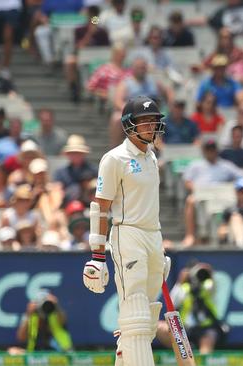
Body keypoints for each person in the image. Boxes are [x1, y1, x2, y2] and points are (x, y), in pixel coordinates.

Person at [82, 96, 170, 366]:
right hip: (127, 233)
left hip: (153, 235)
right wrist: (97, 256)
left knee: (147, 314)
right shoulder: (114, 159)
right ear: (129, 125)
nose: (150, 126)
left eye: (153, 121)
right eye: (144, 121)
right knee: (135, 311)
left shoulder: (152, 157)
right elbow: (100, 207)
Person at [182, 139, 243, 246]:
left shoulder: (226, 166)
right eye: (208, 149)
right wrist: (198, 191)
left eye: (213, 149)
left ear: (216, 150)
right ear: (204, 151)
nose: (211, 152)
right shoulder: (195, 165)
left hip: (223, 196)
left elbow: (242, 176)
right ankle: (190, 235)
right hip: (201, 196)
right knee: (190, 200)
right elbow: (187, 182)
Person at [157, 262, 229, 354]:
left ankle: (203, 358)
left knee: (208, 339)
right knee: (159, 327)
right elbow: (171, 302)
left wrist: (208, 274)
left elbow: (213, 288)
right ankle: (186, 352)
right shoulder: (184, 288)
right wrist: (180, 282)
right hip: (185, 328)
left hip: (205, 328)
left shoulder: (207, 286)